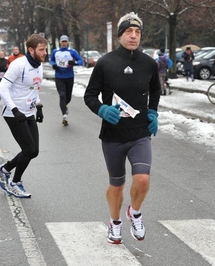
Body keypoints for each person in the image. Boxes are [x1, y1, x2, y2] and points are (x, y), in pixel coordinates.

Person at [84, 11, 160, 244]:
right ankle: (115, 222)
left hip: (140, 133)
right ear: (120, 35)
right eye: (129, 32)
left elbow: (156, 90)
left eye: (137, 32)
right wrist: (102, 110)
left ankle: (134, 213)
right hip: (113, 135)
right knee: (117, 185)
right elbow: (90, 95)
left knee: (143, 179)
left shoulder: (149, 63)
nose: (134, 36)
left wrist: (153, 111)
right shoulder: (105, 63)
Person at [0, 34, 47, 198]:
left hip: (29, 112)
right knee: (29, 149)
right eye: (41, 50)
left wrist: (38, 106)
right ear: (31, 50)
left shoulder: (39, 64)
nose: (45, 52)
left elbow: (34, 87)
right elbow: (2, 88)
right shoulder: (18, 65)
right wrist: (15, 109)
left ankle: (3, 170)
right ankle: (15, 183)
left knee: (33, 151)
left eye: (45, 49)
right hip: (14, 114)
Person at [50, 35, 83, 126]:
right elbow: (51, 60)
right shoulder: (55, 51)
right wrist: (53, 65)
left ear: (67, 42)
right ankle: (64, 115)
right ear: (60, 42)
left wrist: (74, 63)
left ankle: (65, 106)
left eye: (65, 41)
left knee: (68, 97)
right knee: (62, 95)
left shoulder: (72, 52)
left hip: (69, 77)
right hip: (59, 77)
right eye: (62, 41)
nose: (64, 43)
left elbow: (81, 61)